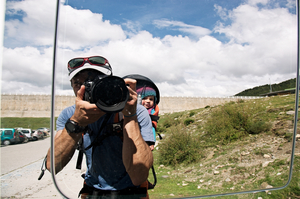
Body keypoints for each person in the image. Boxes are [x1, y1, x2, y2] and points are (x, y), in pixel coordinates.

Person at [46, 56, 154, 199]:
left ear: (110, 82)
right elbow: (52, 165)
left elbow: (139, 176)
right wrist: (76, 122)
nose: (87, 88)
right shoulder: (70, 115)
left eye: (95, 81)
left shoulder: (135, 111)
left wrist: (129, 116)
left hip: (131, 192)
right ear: (72, 86)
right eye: (78, 83)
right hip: (93, 191)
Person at [136, 87, 159, 151]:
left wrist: (151, 142)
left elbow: (152, 129)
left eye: (151, 99)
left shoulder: (152, 112)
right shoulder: (134, 111)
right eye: (144, 98)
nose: (148, 101)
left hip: (147, 141)